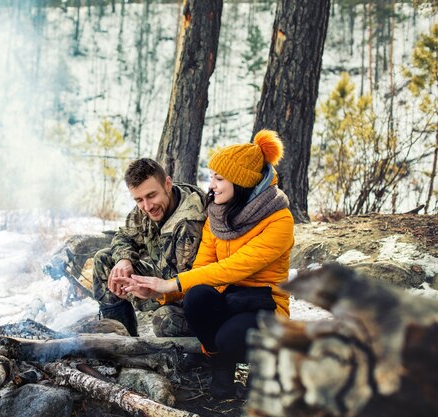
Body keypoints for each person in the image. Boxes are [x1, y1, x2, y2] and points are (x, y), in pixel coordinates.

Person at [119, 130, 294, 398]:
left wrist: (170, 282)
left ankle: (243, 370)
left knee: (230, 336)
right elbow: (201, 271)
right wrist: (161, 293)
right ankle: (220, 363)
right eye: (211, 177)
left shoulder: (279, 220)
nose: (211, 185)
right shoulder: (218, 216)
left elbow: (235, 267)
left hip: (264, 306)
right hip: (230, 300)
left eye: (219, 178)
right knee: (197, 298)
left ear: (242, 181)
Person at [92, 158, 207, 337]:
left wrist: (143, 292)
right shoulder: (149, 206)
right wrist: (124, 260)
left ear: (168, 184)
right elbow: (123, 235)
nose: (146, 207)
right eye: (139, 199)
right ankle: (121, 341)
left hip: (189, 298)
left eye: (151, 196)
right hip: (160, 280)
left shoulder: (190, 222)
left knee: (164, 320)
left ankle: (190, 359)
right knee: (105, 261)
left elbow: (185, 287)